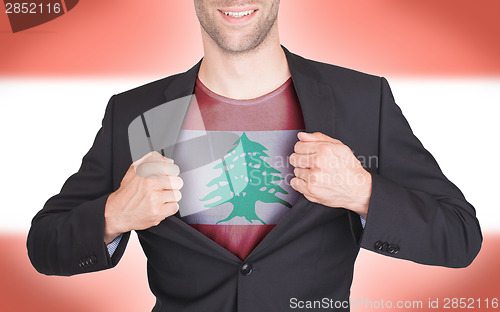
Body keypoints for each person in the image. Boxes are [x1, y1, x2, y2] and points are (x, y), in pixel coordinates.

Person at [27, 1, 482, 311]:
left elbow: (460, 237)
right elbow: (45, 246)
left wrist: (363, 192)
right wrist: (114, 214)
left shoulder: (362, 100)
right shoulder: (136, 113)